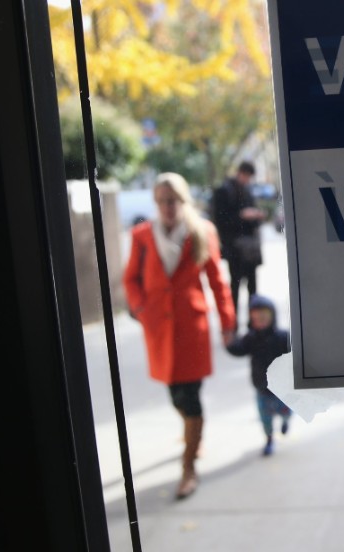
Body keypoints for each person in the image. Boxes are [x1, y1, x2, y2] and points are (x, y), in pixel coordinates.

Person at [122, 172, 236, 500]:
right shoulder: (142, 234)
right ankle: (193, 434)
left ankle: (188, 467)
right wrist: (141, 309)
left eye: (173, 200)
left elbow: (217, 281)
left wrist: (228, 322)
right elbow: (130, 279)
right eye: (161, 200)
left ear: (183, 200)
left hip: (191, 327)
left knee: (190, 396)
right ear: (155, 202)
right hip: (158, 326)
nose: (167, 206)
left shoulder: (202, 232)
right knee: (175, 396)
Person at [225, 294, 292, 456]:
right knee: (265, 419)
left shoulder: (282, 337)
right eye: (256, 319)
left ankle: (285, 422)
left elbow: (294, 353)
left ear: (272, 316)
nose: (260, 322)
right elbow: (240, 349)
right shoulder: (251, 338)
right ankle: (269, 439)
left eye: (264, 317)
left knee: (286, 411)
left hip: (282, 390)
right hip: (261, 388)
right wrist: (229, 344)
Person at [211, 161, 268, 321]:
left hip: (249, 248)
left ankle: (253, 323)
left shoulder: (247, 191)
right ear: (241, 173)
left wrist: (255, 216)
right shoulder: (224, 191)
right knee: (235, 288)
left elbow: (254, 221)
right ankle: (233, 322)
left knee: (252, 287)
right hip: (234, 248)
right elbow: (220, 220)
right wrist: (242, 216)